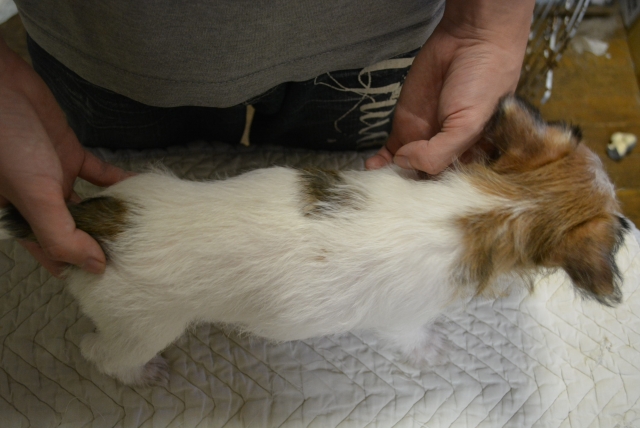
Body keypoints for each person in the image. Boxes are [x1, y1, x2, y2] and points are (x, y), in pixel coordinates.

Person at [0, 0, 535, 276]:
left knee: (366, 172)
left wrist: (487, 25)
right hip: (107, 57)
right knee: (119, 181)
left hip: (374, 53)